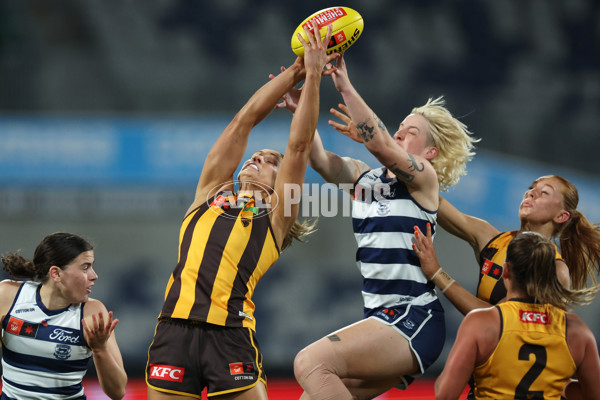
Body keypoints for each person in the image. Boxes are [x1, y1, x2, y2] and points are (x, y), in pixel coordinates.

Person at [145, 23, 338, 400]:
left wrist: (314, 76)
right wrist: (295, 71)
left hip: (230, 336)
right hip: (173, 331)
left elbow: (298, 147)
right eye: (256, 155)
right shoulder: (211, 192)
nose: (256, 157)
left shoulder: (276, 216)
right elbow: (244, 120)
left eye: (268, 161)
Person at [279, 53, 479, 399]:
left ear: (430, 153)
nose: (399, 132)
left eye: (410, 131)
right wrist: (302, 113)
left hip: (413, 316)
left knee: (309, 362)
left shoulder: (424, 180)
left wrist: (343, 84)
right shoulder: (363, 176)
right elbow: (322, 161)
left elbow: (380, 143)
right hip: (381, 318)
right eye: (398, 127)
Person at [417, 230, 600, 400]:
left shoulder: (482, 323)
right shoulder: (576, 331)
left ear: (505, 271)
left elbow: (445, 394)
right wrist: (561, 385)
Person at [417, 174, 600, 316]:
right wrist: (410, 169)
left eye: (544, 192)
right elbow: (433, 200)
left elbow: (493, 321)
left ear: (561, 216)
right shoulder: (493, 239)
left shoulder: (554, 269)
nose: (531, 192)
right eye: (531, 188)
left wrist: (436, 272)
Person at [0, 232, 127, 400]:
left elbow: (118, 392)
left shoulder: (92, 313)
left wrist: (100, 349)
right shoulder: (9, 296)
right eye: (85, 267)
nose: (94, 275)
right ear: (56, 274)